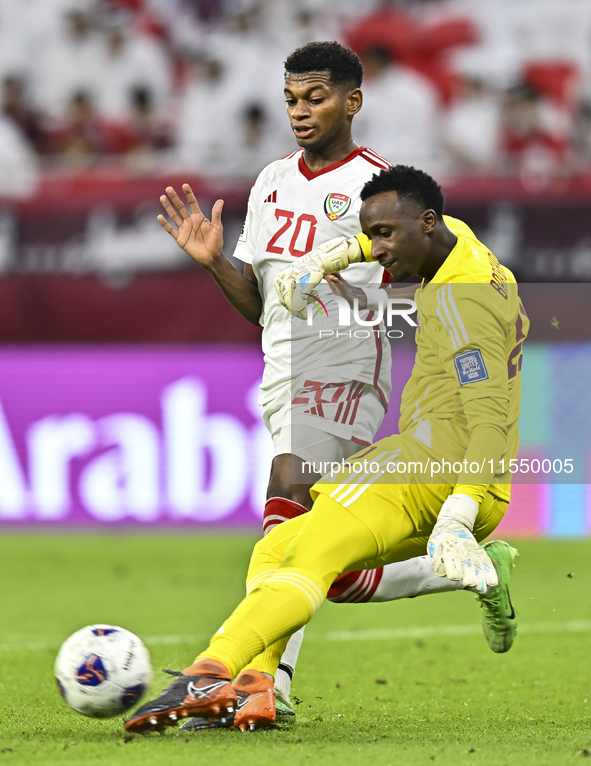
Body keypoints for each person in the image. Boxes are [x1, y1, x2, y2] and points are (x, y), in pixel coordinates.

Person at [125, 164, 525, 735]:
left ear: (426, 223)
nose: (379, 251)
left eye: (387, 236)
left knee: (308, 553)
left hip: (435, 472)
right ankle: (258, 687)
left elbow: (487, 423)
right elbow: (373, 235)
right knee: (280, 548)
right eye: (376, 234)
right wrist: (322, 260)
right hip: (449, 474)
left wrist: (457, 518)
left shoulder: (467, 305)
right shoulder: (455, 243)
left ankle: (208, 672)